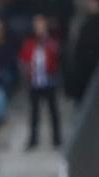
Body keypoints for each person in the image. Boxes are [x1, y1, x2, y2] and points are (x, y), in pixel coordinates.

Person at [19, 14, 62, 149]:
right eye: (37, 26)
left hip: (49, 80)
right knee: (34, 112)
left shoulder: (52, 41)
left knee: (53, 110)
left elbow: (57, 55)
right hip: (34, 81)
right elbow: (24, 58)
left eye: (41, 25)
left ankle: (57, 138)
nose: (39, 28)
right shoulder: (29, 42)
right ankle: (33, 139)